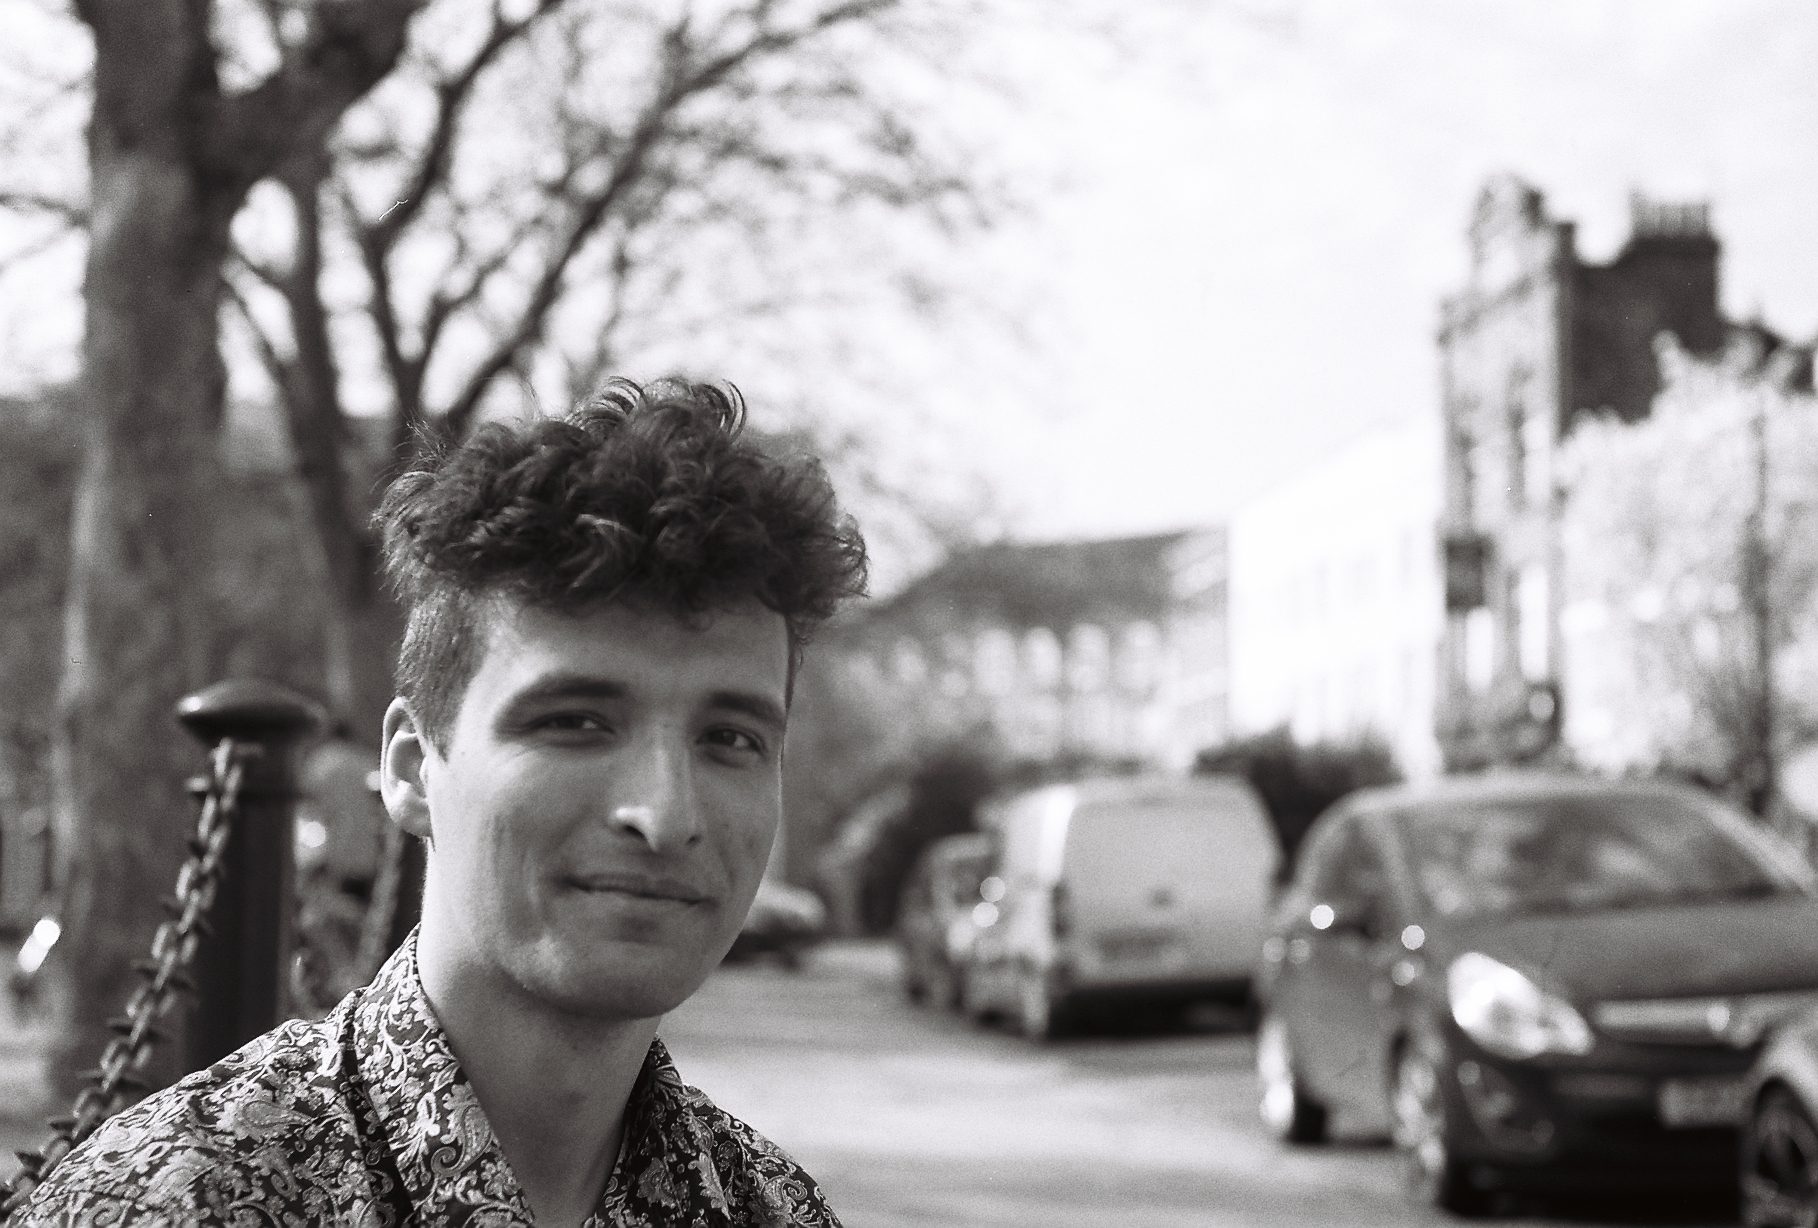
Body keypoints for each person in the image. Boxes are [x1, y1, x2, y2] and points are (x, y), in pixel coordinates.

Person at [15, 378, 868, 1227]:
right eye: (576, 723)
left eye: (731, 739)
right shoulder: (175, 1203)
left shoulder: (774, 1210)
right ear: (413, 768)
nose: (667, 815)